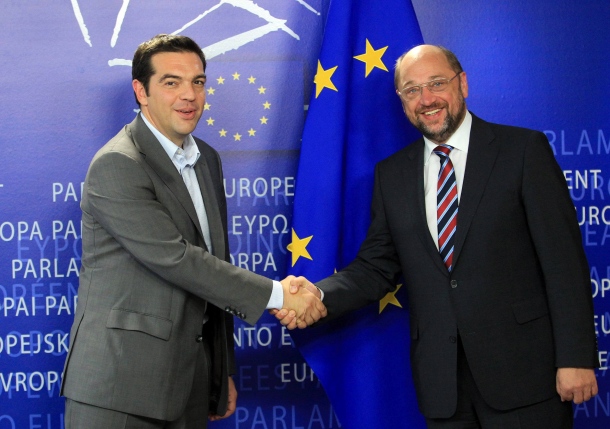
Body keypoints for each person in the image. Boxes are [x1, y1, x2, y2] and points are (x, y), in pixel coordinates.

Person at [276, 45, 598, 427]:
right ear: (402, 100)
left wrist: (576, 357)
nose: (426, 99)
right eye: (412, 90)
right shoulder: (391, 175)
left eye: (437, 84)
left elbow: (563, 263)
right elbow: (375, 268)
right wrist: (318, 295)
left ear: (462, 84)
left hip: (526, 376)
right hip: (444, 389)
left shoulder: (522, 151)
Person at [60, 34, 326, 429]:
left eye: (198, 82)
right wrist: (279, 295)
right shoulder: (118, 163)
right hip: (120, 387)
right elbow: (179, 260)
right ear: (141, 92)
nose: (189, 95)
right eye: (172, 82)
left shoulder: (207, 160)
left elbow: (215, 266)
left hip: (190, 383)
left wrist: (221, 372)